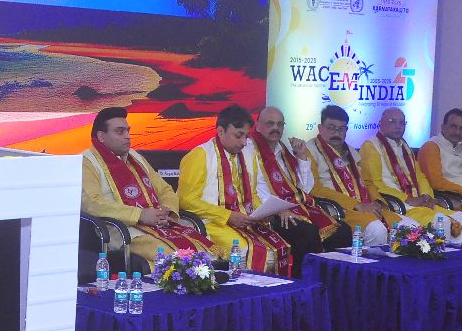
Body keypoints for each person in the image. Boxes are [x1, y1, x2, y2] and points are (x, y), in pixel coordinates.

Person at [81, 107, 216, 266]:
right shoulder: (88, 161)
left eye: (127, 131)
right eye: (120, 132)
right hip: (123, 229)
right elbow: (91, 203)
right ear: (101, 136)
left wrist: (165, 212)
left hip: (157, 223)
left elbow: (165, 190)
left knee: (205, 247)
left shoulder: (135, 157)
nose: (127, 136)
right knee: (171, 255)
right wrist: (139, 215)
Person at [179, 105, 293, 275]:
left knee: (279, 247)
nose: (244, 142)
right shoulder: (200, 155)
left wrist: (262, 212)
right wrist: (228, 216)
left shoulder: (248, 154)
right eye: (238, 136)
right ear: (220, 131)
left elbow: (252, 194)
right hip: (211, 223)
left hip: (244, 221)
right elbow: (185, 200)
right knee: (247, 251)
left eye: (246, 136)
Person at [250, 106, 353, 257]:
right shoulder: (250, 150)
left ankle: (330, 272)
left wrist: (302, 156)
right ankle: (306, 272)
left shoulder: (283, 150)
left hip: (294, 207)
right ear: (258, 125)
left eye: (280, 124)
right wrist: (276, 208)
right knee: (307, 233)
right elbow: (252, 188)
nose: (275, 128)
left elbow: (304, 188)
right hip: (269, 213)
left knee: (342, 231)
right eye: (270, 123)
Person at [359, 107, 462, 243]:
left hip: (417, 202)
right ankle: (441, 255)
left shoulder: (404, 147)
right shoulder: (371, 146)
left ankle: (460, 256)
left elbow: (420, 176)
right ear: (380, 123)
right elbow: (374, 183)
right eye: (392, 121)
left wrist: (426, 196)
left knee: (461, 218)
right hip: (396, 204)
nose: (398, 126)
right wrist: (408, 199)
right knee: (443, 222)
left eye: (402, 123)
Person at [297, 105, 392, 246]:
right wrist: (356, 205)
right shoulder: (309, 151)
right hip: (335, 210)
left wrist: (377, 202)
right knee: (377, 230)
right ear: (320, 128)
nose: (336, 133)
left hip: (364, 206)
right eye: (331, 128)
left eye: (341, 129)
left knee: (407, 225)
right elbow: (314, 189)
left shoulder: (352, 152)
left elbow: (367, 182)